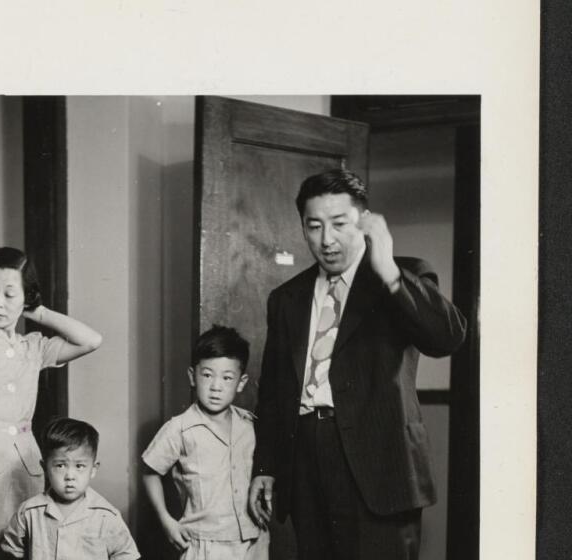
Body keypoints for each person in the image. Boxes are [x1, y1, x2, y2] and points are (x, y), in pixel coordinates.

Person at [247, 169, 468, 560]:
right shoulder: (286, 297)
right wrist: (266, 465)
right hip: (305, 461)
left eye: (339, 224)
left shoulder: (404, 274)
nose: (326, 239)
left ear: (364, 223)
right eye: (313, 226)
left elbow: (446, 338)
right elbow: (275, 390)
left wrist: (389, 272)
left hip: (380, 464)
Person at [0, 247, 103, 560]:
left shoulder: (32, 347)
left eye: (10, 294)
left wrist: (37, 312)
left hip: (27, 472)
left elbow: (91, 340)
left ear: (26, 297)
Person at [142, 325, 269, 560]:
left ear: (241, 383)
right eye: (207, 375)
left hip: (253, 541)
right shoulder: (179, 428)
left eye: (227, 378)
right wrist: (165, 519)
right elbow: (150, 472)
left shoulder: (251, 425)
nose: (216, 387)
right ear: (192, 376)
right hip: (204, 544)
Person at [0, 417, 140, 560]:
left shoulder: (107, 516)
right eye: (60, 465)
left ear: (93, 469)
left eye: (79, 466)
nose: (70, 476)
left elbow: (126, 555)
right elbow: (11, 551)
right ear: (45, 469)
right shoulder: (29, 512)